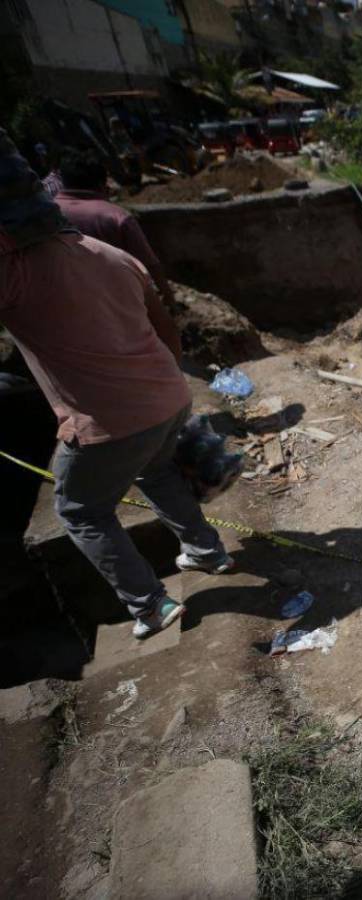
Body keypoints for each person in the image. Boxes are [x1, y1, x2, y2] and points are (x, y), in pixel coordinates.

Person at [0, 129, 232, 640]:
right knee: (155, 471)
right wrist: (161, 388)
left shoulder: (13, 273)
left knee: (80, 510)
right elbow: (167, 329)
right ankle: (207, 551)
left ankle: (150, 604)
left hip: (110, 421)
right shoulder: (108, 253)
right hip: (168, 396)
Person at [53, 148, 176, 311]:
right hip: (118, 301)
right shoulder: (115, 216)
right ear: (101, 183)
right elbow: (149, 262)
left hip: (67, 302)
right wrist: (168, 295)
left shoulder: (47, 213)